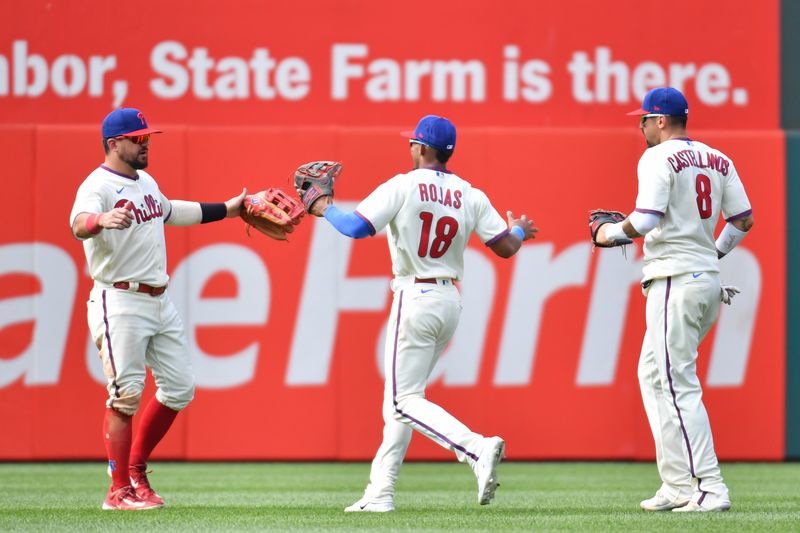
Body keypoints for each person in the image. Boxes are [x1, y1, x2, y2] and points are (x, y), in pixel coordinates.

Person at [306, 115, 537, 512]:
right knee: (402, 400)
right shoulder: (470, 193)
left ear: (424, 148)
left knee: (402, 401)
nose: (409, 148)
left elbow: (356, 228)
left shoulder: (404, 184)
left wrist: (325, 207)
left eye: (413, 143)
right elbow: (505, 248)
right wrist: (518, 231)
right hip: (449, 302)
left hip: (415, 296)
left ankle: (475, 448)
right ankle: (380, 492)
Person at [69, 108, 246, 511]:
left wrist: (228, 209)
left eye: (147, 136)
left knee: (180, 387)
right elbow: (77, 222)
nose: (146, 143)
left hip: (158, 299)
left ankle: (135, 469)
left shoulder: (145, 181)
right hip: (120, 299)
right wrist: (100, 219)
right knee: (125, 396)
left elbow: (171, 211)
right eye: (138, 138)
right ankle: (117, 491)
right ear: (115, 144)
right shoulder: (97, 185)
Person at [594, 87, 754, 512]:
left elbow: (645, 220)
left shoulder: (656, 157)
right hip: (702, 280)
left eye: (644, 119)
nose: (640, 125)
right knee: (653, 375)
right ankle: (678, 484)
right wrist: (711, 253)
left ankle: (710, 488)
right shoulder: (719, 158)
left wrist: (608, 235)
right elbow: (743, 219)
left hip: (675, 282)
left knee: (677, 382)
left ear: (660, 120)